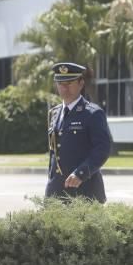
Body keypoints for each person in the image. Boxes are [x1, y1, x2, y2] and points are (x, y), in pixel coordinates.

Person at [45, 62, 112, 203]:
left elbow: (102, 149)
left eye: (69, 83)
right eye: (60, 83)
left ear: (81, 83)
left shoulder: (93, 113)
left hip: (85, 191)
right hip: (56, 192)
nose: (64, 88)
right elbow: (54, 154)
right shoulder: (54, 113)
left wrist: (81, 173)